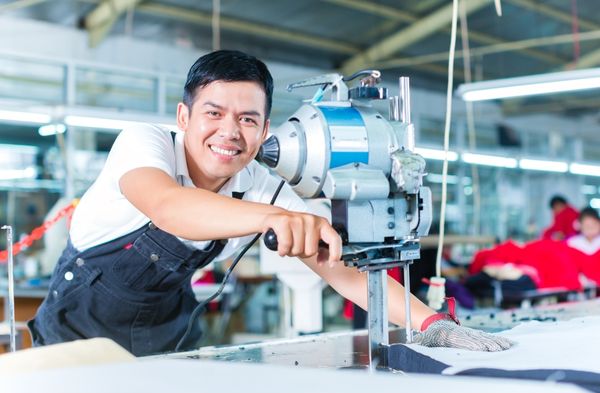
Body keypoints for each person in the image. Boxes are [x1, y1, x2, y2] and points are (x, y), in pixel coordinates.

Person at [27, 50, 513, 356]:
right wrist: (279, 217)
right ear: (184, 115)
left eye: (248, 120)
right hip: (75, 340)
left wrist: (433, 323)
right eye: (213, 113)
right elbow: (171, 207)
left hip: (168, 335)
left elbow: (338, 267)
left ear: (264, 129)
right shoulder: (144, 144)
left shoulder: (258, 181)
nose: (229, 133)